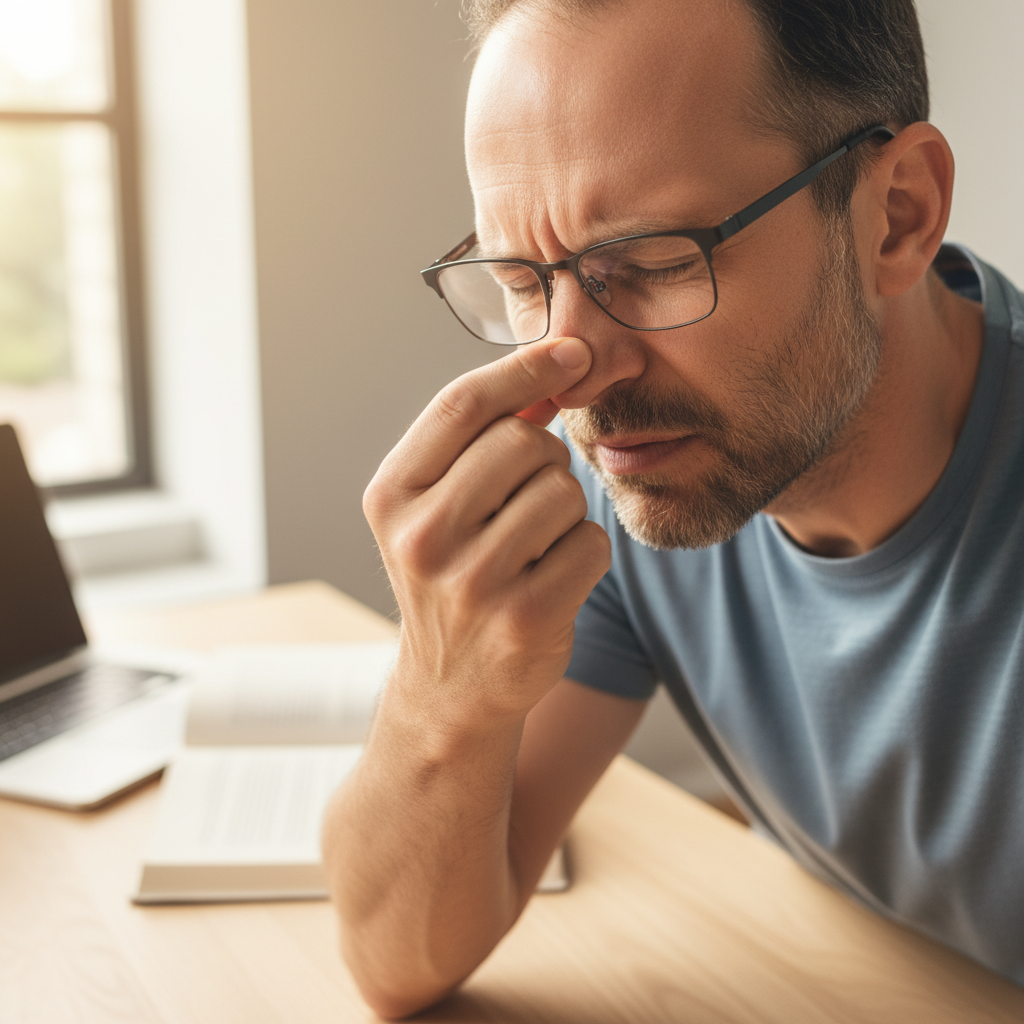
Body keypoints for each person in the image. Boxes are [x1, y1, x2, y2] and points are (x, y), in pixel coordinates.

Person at [322, 0, 1024, 1016]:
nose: (571, 373)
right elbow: (401, 960)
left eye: (651, 264)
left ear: (897, 215)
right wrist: (437, 690)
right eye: (524, 280)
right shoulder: (652, 471)